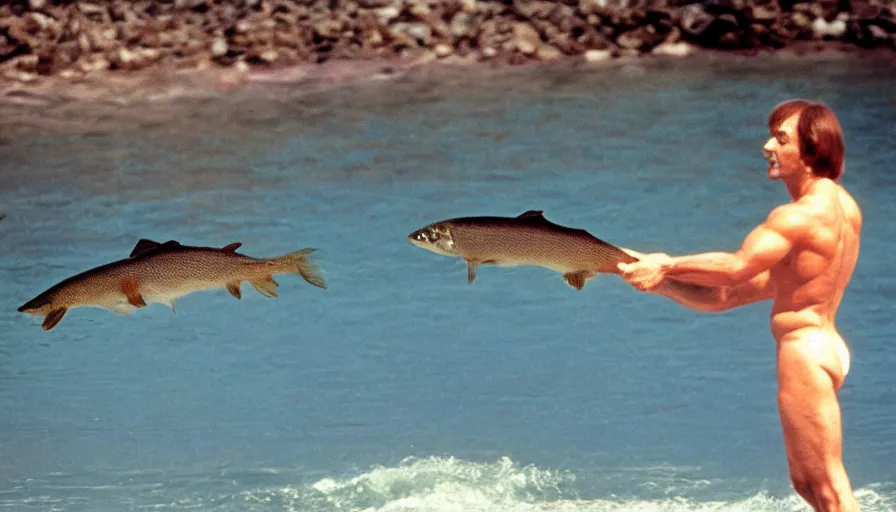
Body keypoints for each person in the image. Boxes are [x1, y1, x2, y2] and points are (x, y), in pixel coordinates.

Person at [617, 99, 862, 512]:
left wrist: (667, 263)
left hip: (804, 352)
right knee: (808, 484)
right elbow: (730, 294)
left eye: (781, 139)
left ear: (809, 149)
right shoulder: (842, 206)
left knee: (829, 493)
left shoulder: (798, 216)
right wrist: (661, 280)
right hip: (827, 345)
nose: (768, 145)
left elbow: (734, 267)